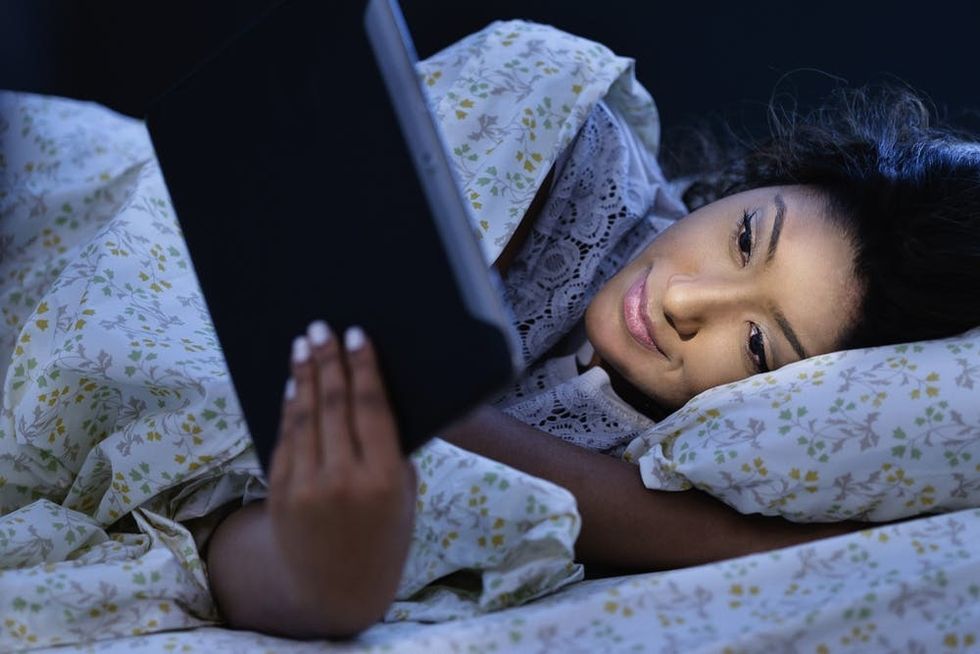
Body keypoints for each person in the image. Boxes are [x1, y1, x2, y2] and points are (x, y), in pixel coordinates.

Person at [205, 85, 980, 639]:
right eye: (746, 238)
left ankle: (326, 577)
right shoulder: (576, 162)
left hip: (268, 530)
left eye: (755, 346)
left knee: (331, 535)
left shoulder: (658, 471)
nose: (687, 301)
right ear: (769, 179)